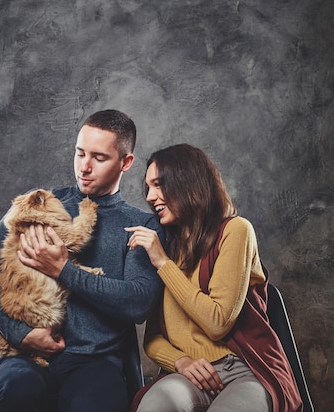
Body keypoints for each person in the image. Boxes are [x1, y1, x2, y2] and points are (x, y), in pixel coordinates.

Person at [0, 109, 164, 412]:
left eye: (99, 158)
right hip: (26, 357)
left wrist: (62, 269)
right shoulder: (39, 202)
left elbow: (137, 303)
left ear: (126, 162)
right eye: (79, 153)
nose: (84, 167)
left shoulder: (141, 225)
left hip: (95, 363)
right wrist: (22, 334)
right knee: (17, 391)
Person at [125, 144, 302, 412]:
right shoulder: (167, 247)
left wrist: (163, 263)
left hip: (246, 370)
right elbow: (152, 337)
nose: (150, 196)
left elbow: (217, 322)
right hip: (188, 375)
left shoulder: (236, 231)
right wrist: (180, 361)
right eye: (148, 187)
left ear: (187, 182)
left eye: (159, 184)